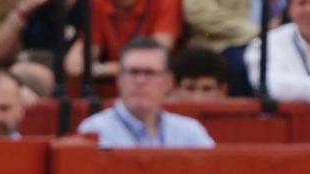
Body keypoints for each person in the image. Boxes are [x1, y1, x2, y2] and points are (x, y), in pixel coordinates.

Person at [78, 37, 215, 147]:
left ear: (168, 82)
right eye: (133, 72)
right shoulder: (95, 131)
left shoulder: (190, 133)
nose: (140, 80)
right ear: (119, 79)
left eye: (150, 73)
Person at [68, 0, 182, 78]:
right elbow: (89, 51)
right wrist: (78, 59)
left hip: (157, 82)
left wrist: (102, 68)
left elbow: (157, 56)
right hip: (112, 87)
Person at [183, 0, 272, 95]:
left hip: (275, 39)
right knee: (248, 65)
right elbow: (198, 10)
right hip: (224, 42)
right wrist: (256, 31)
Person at [245, 0, 310, 104]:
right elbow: (269, 84)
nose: (309, 10)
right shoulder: (267, 45)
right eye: (302, 3)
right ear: (290, 8)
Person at [0, 0, 86, 65]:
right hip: (34, 81)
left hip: (74, 83)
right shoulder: (37, 5)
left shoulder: (90, 2)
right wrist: (23, 9)